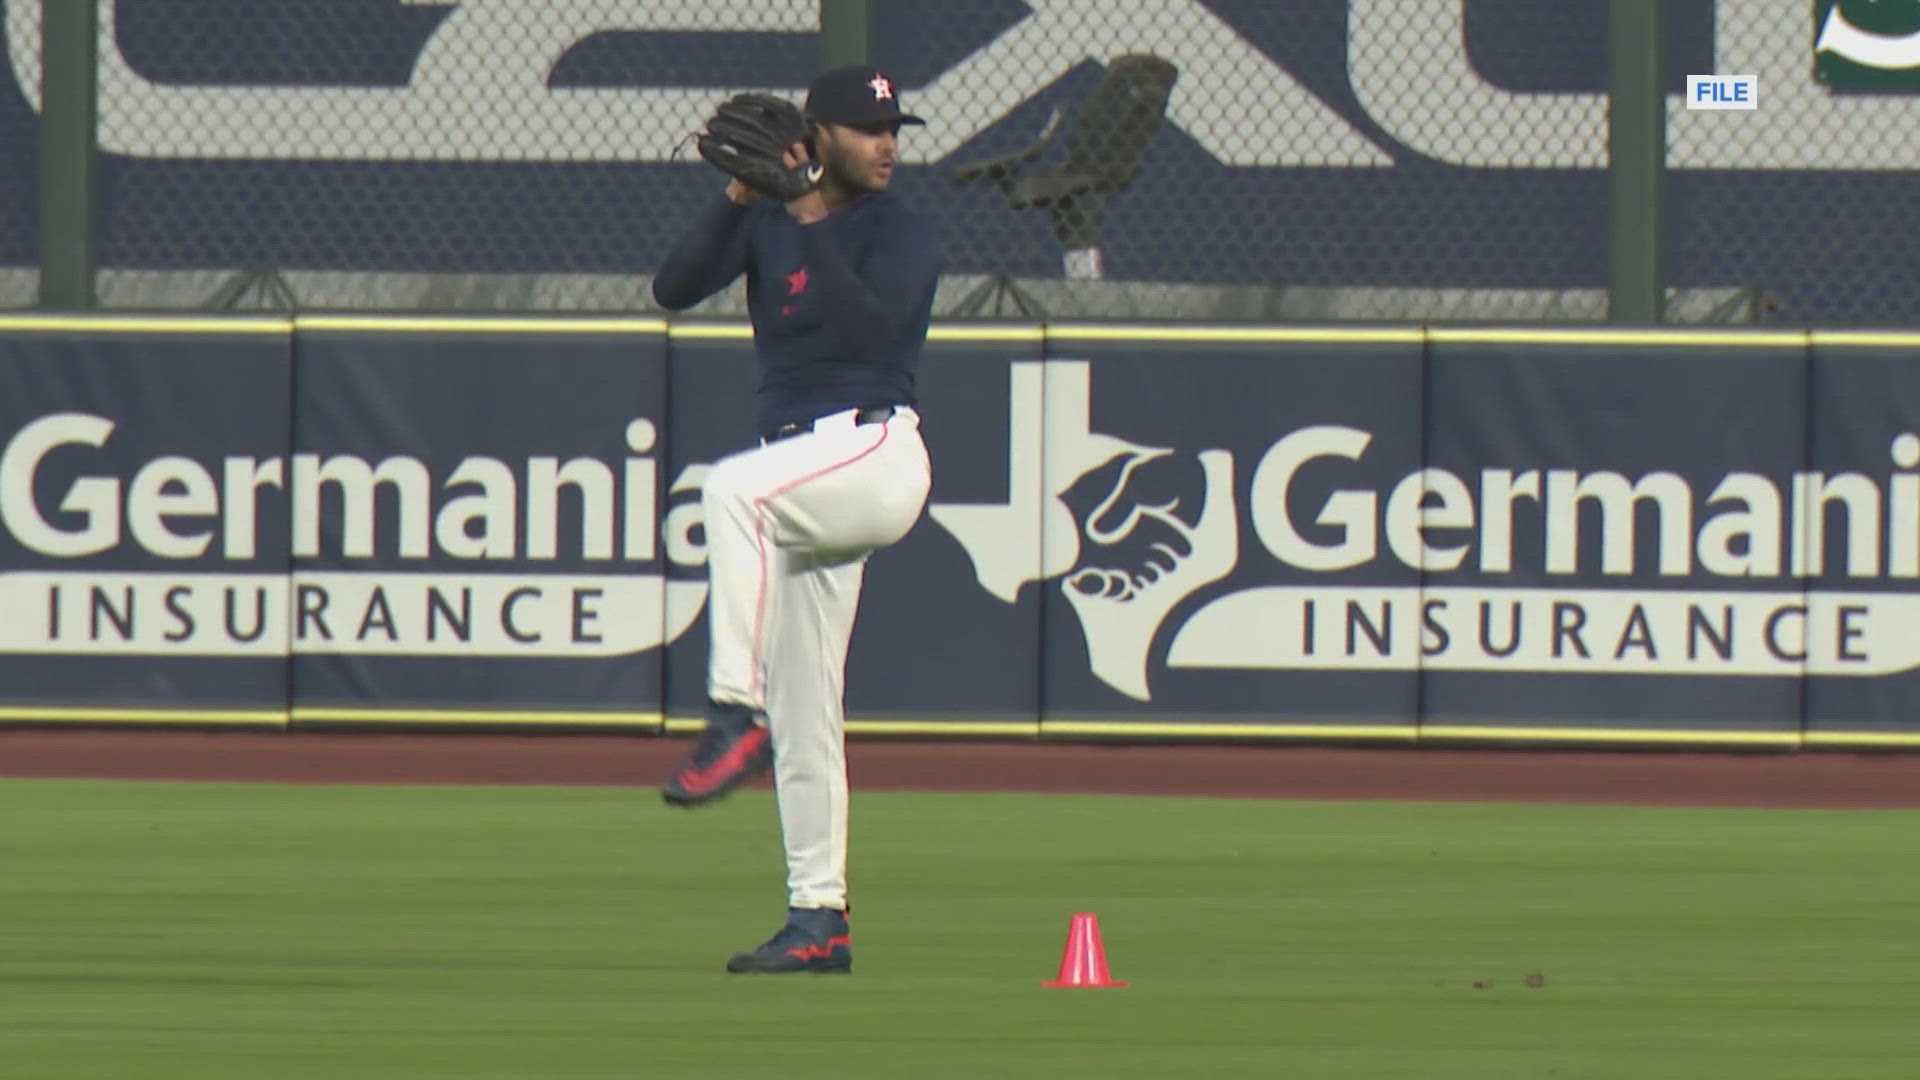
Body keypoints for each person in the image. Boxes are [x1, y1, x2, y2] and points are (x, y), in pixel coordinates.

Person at [649, 65, 942, 975]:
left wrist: (810, 213)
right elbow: (674, 286)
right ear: (817, 139)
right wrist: (739, 197)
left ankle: (732, 712)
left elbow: (868, 334)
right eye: (867, 128)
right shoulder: (771, 220)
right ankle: (820, 920)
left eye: (895, 127)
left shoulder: (900, 230)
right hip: (805, 476)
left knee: (731, 491)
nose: (888, 142)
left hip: (873, 454)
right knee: (810, 710)